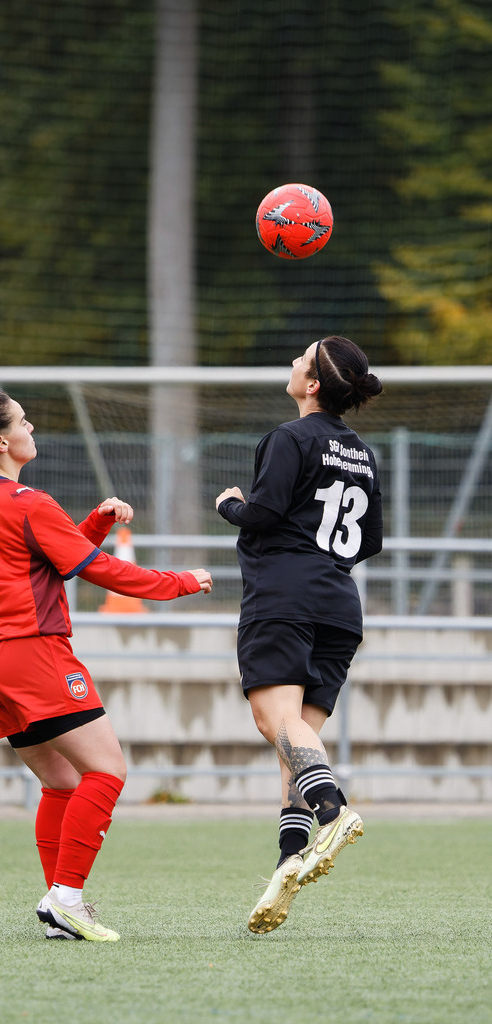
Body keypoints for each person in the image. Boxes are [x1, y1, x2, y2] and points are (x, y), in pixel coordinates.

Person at [0, 386, 212, 941]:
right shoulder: (27, 502)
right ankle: (67, 898)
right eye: (24, 423)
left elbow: (46, 565)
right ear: (2, 442)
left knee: (61, 783)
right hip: (33, 653)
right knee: (107, 771)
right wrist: (181, 582)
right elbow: (101, 572)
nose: (32, 428)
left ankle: (61, 909)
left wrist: (95, 522)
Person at [215, 335, 383, 934]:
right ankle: (289, 861)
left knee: (274, 722)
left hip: (284, 595)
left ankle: (332, 810)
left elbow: (260, 515)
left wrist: (230, 504)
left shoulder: (288, 438)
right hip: (339, 602)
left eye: (300, 359)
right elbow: (371, 542)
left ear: (312, 385)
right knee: (300, 732)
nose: (291, 363)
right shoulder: (361, 452)